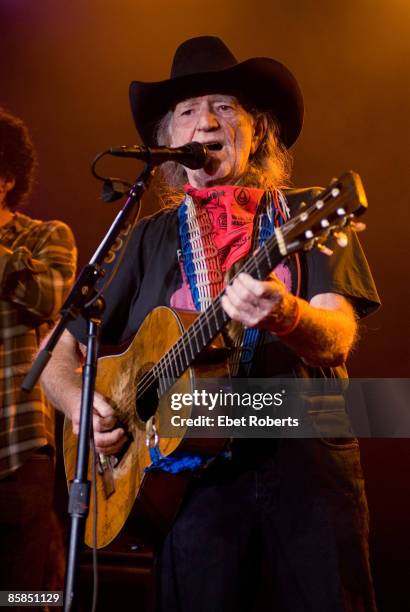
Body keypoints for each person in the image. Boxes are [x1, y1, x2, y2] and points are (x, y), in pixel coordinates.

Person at [41, 37, 381, 611]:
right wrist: (84, 408)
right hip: (189, 482)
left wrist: (288, 313)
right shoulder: (148, 236)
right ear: (168, 142)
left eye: (225, 106)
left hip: (304, 459)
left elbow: (337, 337)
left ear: (258, 132)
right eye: (186, 111)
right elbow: (54, 357)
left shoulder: (304, 214)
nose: (205, 120)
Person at [0, 109, 77, 595]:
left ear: (6, 178)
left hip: (15, 450)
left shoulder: (46, 236)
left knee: (22, 595)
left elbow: (49, 297)